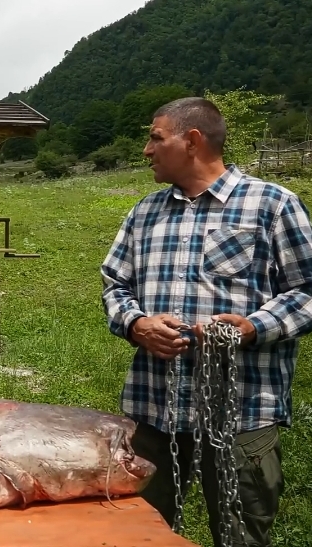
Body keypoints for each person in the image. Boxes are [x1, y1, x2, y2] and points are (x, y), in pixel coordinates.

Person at [100, 96, 312, 546]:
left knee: (240, 536)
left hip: (243, 413)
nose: (147, 150)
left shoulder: (272, 205)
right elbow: (115, 285)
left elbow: (306, 290)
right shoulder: (145, 212)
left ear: (192, 141)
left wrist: (253, 327)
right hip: (155, 411)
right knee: (139, 533)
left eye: (156, 138)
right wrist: (135, 324)